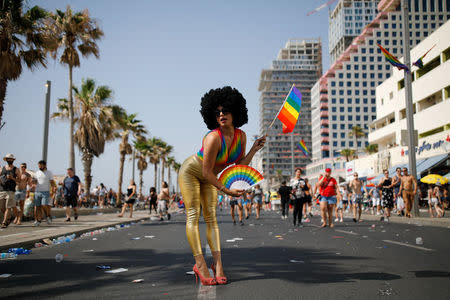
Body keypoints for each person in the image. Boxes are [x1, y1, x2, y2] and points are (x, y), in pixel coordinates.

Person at [178, 86, 265, 285]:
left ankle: (218, 265)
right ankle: (200, 264)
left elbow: (239, 165)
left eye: (225, 110)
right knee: (193, 214)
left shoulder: (241, 136)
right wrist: (227, 191)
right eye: (217, 112)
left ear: (235, 112)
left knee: (212, 218)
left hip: (210, 177)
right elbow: (206, 171)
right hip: (192, 172)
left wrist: (254, 149)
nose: (221, 115)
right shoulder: (212, 137)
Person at [0, 154, 20, 228]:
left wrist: (12, 178)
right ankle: (9, 218)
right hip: (2, 190)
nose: (9, 160)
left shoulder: (16, 169)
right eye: (8, 159)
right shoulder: (2, 168)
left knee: (8, 207)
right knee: (2, 207)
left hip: (11, 191)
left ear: (13, 160)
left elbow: (19, 180)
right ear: (6, 160)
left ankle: (4, 222)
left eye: (11, 159)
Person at [33, 160, 55, 226]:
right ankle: (38, 220)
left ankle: (47, 216)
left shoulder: (49, 173)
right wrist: (33, 182)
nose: (39, 166)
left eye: (41, 165)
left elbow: (52, 182)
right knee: (37, 207)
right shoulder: (36, 173)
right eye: (39, 165)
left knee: (44, 205)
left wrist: (53, 190)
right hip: (37, 192)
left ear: (44, 165)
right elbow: (34, 182)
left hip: (46, 192)